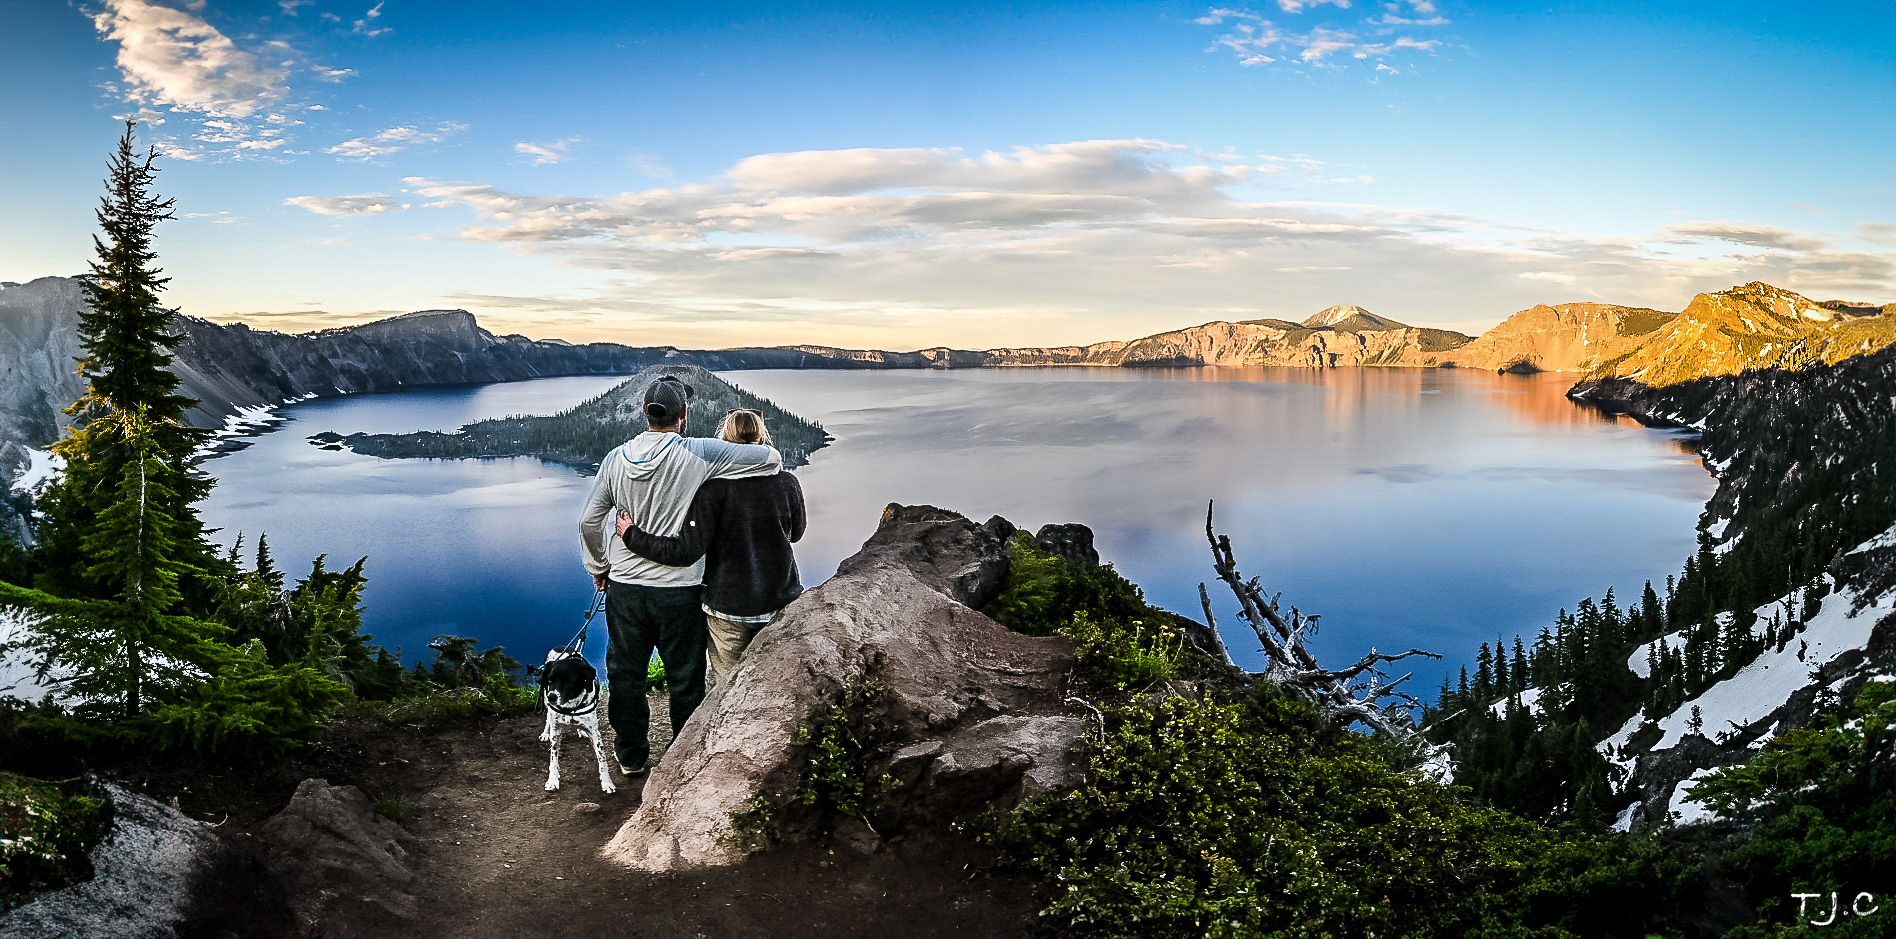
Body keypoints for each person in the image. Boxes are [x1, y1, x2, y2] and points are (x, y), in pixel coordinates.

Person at [579, 376, 781, 776]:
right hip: (680, 589)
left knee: (626, 672)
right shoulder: (699, 453)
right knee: (685, 677)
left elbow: (589, 521)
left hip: (626, 588)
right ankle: (682, 755)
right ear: (683, 415)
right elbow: (771, 460)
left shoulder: (615, 458)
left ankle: (632, 755)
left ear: (644, 413)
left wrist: (599, 567)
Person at [614, 408, 804, 687]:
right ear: (762, 436)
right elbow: (796, 533)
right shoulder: (788, 482)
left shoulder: (713, 491)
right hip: (780, 601)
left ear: (725, 440)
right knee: (777, 683)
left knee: (727, 690)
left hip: (728, 608)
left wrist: (631, 535)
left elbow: (684, 552)